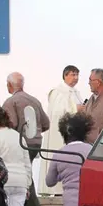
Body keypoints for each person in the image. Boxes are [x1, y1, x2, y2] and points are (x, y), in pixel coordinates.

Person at [1, 71, 50, 206]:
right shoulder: (34, 100)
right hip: (36, 141)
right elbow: (46, 123)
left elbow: (12, 123)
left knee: (24, 177)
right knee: (27, 175)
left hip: (22, 143)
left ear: (9, 85)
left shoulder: (11, 101)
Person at [41, 65, 84, 195]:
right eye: (73, 74)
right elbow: (58, 112)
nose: (75, 78)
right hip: (59, 133)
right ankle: (55, 188)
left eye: (77, 75)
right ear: (65, 75)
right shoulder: (58, 91)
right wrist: (75, 108)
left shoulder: (76, 92)